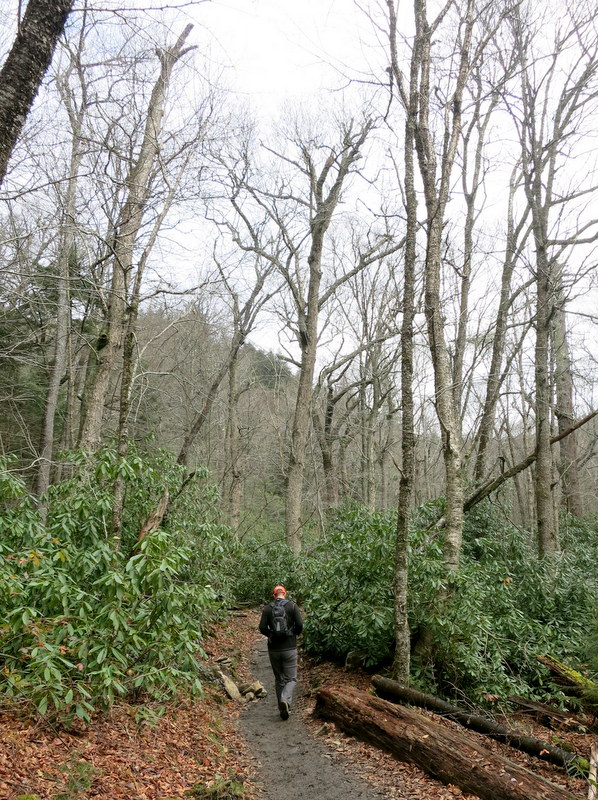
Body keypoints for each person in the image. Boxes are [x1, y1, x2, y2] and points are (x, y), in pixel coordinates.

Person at [259, 584, 303, 720]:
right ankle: (286, 700)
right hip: (289, 648)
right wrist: (293, 634)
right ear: (285, 594)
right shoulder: (292, 606)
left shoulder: (268, 608)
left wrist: (271, 635)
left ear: (274, 595)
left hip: (274, 649)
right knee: (291, 678)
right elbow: (300, 625)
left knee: (279, 679)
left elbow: (261, 628)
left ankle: (282, 707)